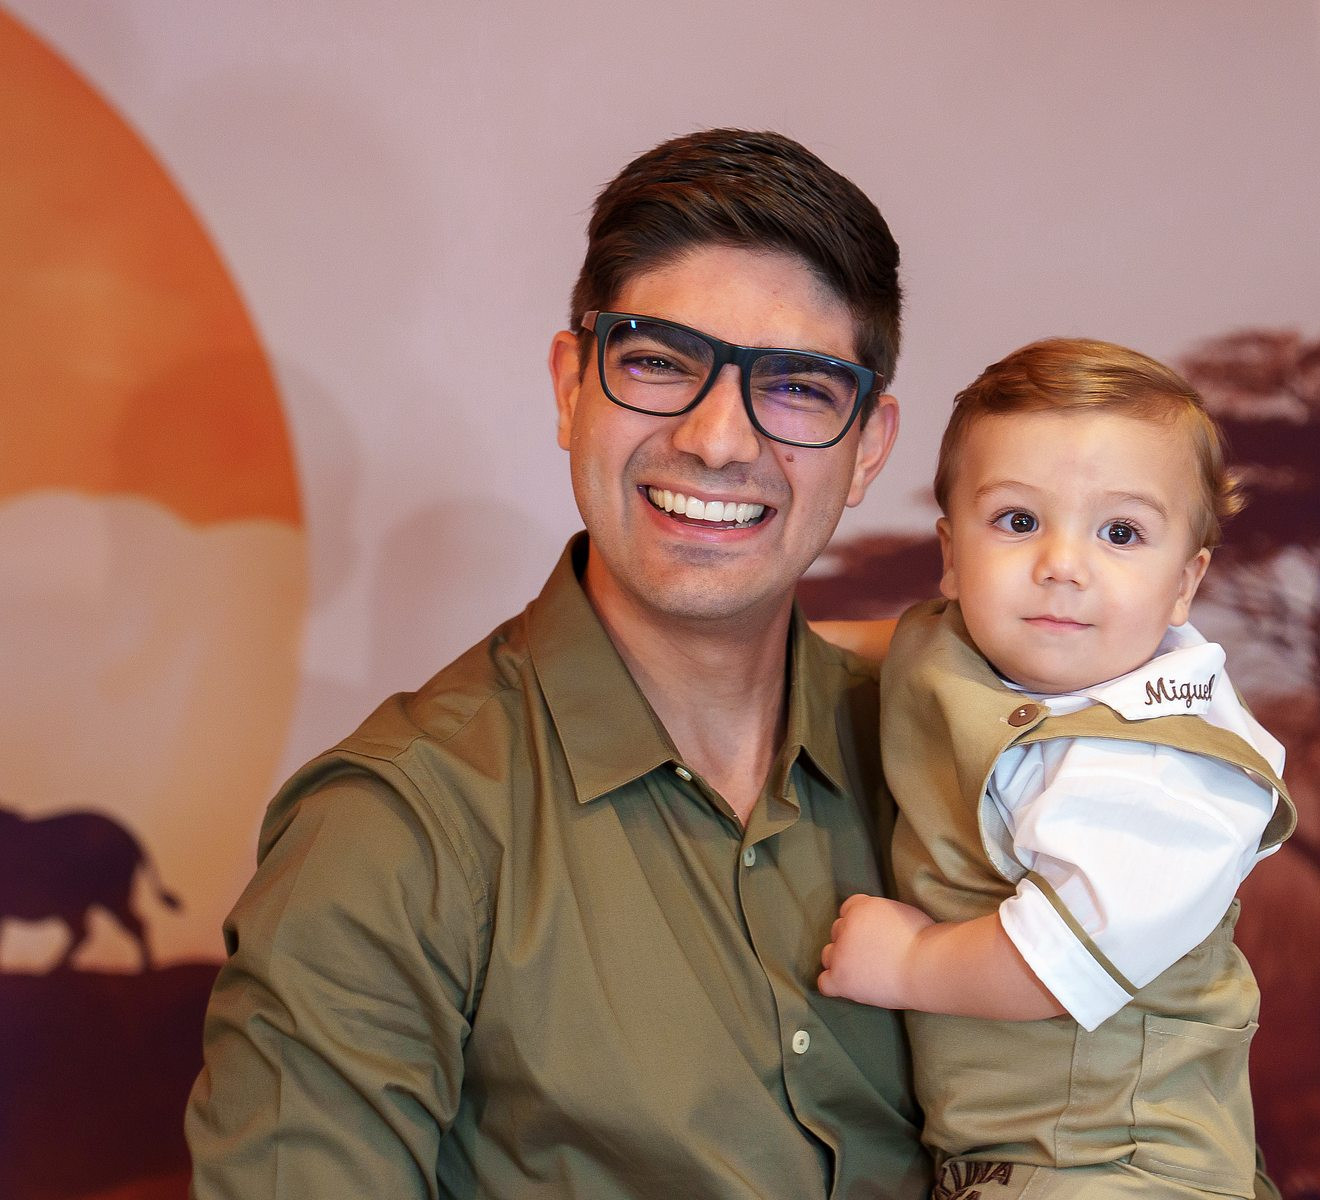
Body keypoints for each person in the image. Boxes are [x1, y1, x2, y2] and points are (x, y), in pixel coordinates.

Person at [185, 128, 932, 1199]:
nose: (720, 440)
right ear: (571, 386)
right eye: (660, 363)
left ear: (869, 447)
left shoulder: (950, 764)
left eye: (798, 387)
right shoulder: (392, 833)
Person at [818, 338, 1297, 1199]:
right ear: (951, 555)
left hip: (1122, 1160)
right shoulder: (960, 644)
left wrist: (910, 963)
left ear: (1185, 584)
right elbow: (892, 654)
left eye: (1120, 533)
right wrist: (754, 649)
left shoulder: (1166, 774)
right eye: (1018, 521)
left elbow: (1052, 962)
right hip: (1002, 1152)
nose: (1062, 567)